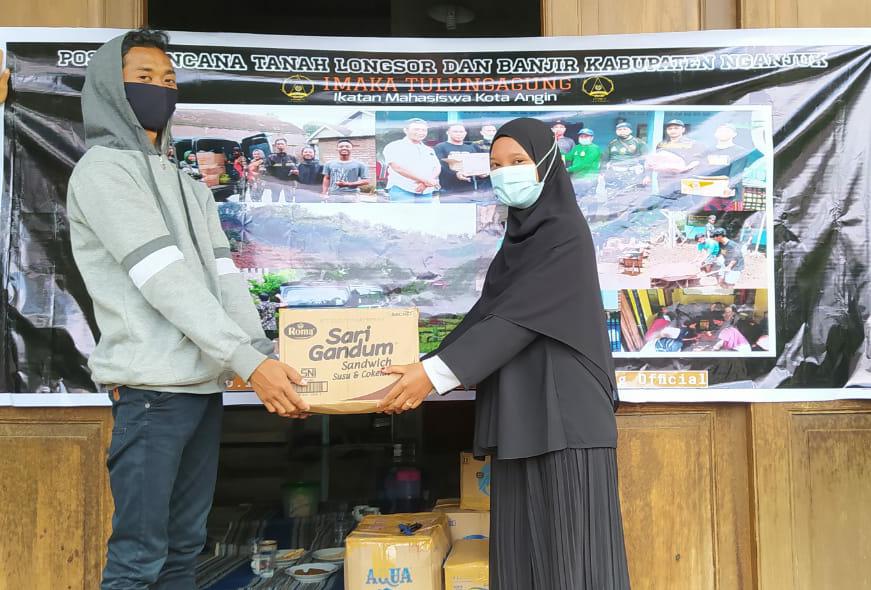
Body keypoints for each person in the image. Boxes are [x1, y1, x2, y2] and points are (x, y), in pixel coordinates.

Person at [66, 29, 310, 589]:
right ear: (110, 87)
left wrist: (261, 355)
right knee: (138, 558)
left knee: (183, 552)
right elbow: (163, 279)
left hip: (201, 392)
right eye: (144, 78)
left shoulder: (186, 183)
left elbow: (225, 280)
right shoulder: (104, 170)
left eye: (170, 79)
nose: (161, 89)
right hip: (153, 394)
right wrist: (248, 364)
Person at [376, 118, 630, 589]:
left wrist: (432, 375)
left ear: (548, 164)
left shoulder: (565, 233)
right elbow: (489, 312)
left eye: (518, 162)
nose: (505, 173)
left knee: (574, 562)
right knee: (521, 560)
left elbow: (515, 322)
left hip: (566, 420)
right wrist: (421, 363)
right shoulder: (521, 241)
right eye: (495, 165)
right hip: (523, 415)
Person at [699, 123, 762, 211]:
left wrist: (731, 188)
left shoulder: (740, 152)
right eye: (720, 130)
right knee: (708, 219)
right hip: (709, 195)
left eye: (726, 130)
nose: (723, 133)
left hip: (731, 194)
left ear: (734, 134)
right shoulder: (706, 152)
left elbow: (738, 173)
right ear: (715, 134)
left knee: (730, 220)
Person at [383, 118, 441, 202]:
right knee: (403, 215)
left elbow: (437, 167)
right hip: (402, 190)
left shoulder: (429, 149)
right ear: (405, 130)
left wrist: (426, 183)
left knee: (425, 215)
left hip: (426, 191)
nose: (421, 132)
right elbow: (398, 168)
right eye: (416, 129)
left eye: (424, 130)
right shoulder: (394, 146)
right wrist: (425, 181)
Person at [648, 119, 705, 198]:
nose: (673, 131)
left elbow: (698, 160)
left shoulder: (692, 143)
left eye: (676, 128)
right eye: (670, 129)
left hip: (684, 177)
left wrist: (685, 169)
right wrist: (649, 175)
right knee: (665, 199)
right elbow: (656, 161)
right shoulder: (661, 144)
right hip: (664, 178)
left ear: (683, 129)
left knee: (684, 201)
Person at [434, 123, 488, 194]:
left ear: (465, 133)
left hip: (469, 188)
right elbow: (441, 165)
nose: (459, 134)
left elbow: (476, 165)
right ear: (448, 132)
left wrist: (482, 173)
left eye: (461, 132)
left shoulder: (471, 148)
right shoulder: (440, 147)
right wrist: (456, 174)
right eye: (455, 131)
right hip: (448, 189)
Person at [603, 122, 647, 194]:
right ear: (616, 131)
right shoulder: (612, 143)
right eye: (619, 129)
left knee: (631, 197)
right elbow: (605, 159)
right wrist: (602, 171)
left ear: (630, 130)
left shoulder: (639, 142)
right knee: (612, 196)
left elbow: (646, 160)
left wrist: (647, 175)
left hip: (632, 174)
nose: (622, 131)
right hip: (614, 173)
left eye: (624, 129)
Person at [565, 128, 602, 200]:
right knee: (577, 198)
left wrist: (568, 169)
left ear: (592, 138)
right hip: (576, 177)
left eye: (586, 136)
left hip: (589, 178)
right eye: (581, 136)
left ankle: (592, 211)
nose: (583, 138)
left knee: (589, 199)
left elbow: (585, 164)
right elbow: (568, 157)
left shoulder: (594, 148)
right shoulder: (577, 147)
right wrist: (557, 153)